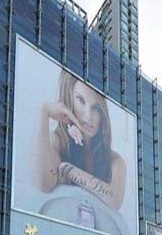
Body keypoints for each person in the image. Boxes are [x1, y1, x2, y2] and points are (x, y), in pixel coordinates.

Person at [38, 71, 127, 212]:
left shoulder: (115, 161)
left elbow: (115, 200)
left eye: (96, 108)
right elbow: (45, 184)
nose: (88, 116)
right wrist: (44, 112)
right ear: (69, 100)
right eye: (81, 100)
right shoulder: (55, 140)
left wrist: (70, 171)